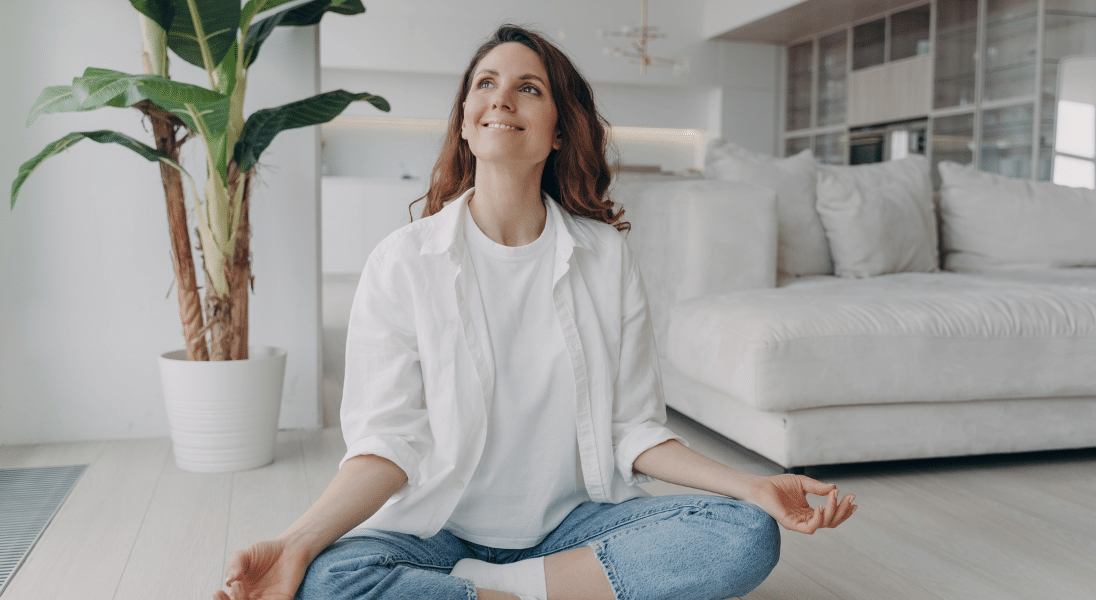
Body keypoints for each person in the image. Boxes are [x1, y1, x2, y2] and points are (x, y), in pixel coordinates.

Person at [214, 24, 856, 600]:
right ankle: (559, 593)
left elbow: (634, 428)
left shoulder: (606, 258)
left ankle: (493, 592)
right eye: (485, 84)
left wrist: (751, 486)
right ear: (465, 121)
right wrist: (297, 541)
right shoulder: (403, 261)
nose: (502, 98)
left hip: (572, 524)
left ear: (557, 130)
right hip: (438, 531)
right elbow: (387, 442)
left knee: (745, 534)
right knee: (328, 578)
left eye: (529, 87)